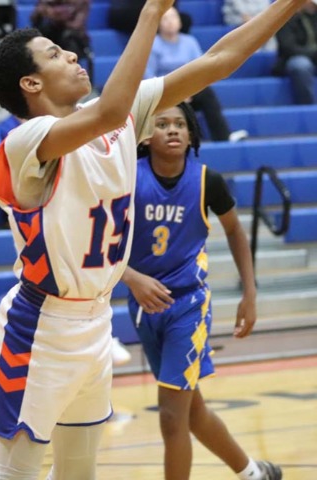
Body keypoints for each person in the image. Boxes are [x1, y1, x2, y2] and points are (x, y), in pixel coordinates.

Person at [0, 0, 304, 476]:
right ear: (31, 84)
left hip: (96, 322)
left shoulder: (117, 119)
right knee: (16, 472)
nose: (71, 55)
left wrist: (289, 4)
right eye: (54, 55)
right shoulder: (26, 140)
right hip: (41, 327)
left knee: (78, 474)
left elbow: (219, 60)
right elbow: (111, 110)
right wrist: (152, 12)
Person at [122, 102, 281, 480]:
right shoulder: (126, 178)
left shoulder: (208, 180)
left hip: (188, 305)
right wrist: (130, 277)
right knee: (192, 411)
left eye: (180, 124)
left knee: (171, 416)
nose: (173, 130)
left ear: (192, 133)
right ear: (145, 136)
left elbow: (235, 230)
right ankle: (254, 473)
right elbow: (102, 241)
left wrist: (250, 293)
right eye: (162, 123)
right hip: (144, 305)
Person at [145, 7, 249, 142]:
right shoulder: (153, 44)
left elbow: (201, 69)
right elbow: (149, 76)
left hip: (189, 91)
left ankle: (223, 136)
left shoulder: (190, 42)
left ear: (180, 22)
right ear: (159, 23)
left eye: (173, 17)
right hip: (165, 93)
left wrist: (189, 90)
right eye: (165, 18)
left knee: (207, 93)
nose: (170, 22)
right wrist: (175, 93)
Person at [30, 0, 93, 77]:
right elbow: (34, 20)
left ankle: (69, 75)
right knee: (39, 39)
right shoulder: (46, 2)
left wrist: (60, 17)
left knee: (70, 39)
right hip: (51, 33)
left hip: (73, 36)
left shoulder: (81, 2)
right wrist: (43, 12)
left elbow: (77, 24)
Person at [274, 0, 317, 104]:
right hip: (294, 57)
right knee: (300, 65)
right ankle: (308, 107)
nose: (313, 7)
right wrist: (314, 53)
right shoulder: (286, 18)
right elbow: (288, 48)